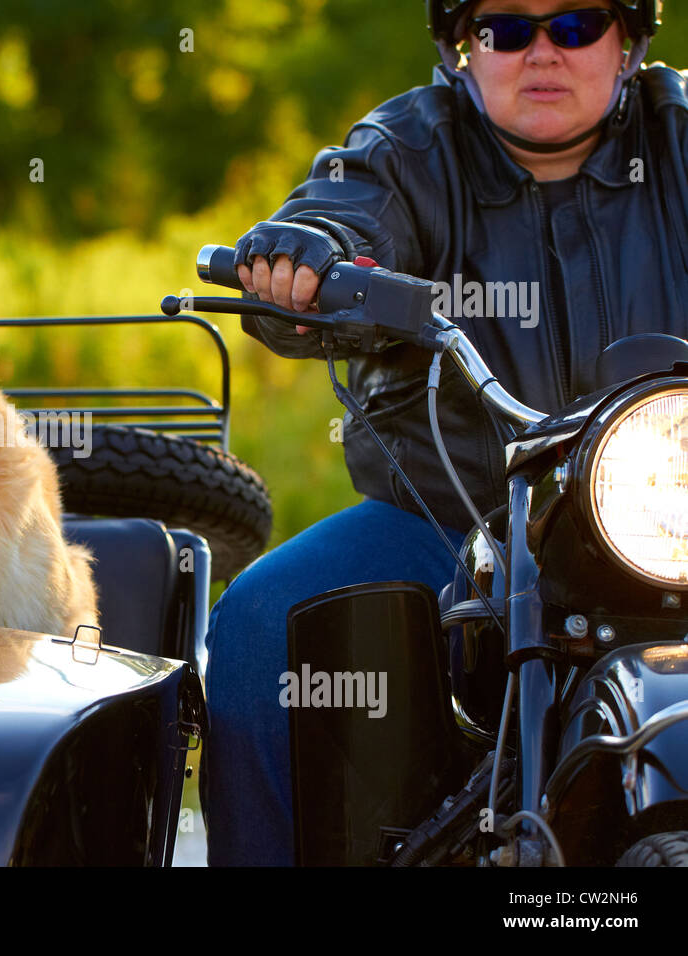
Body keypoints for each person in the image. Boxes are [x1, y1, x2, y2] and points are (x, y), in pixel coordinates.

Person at [201, 0, 688, 865]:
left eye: (575, 25)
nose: (543, 52)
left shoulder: (680, 134)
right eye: (507, 28)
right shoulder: (408, 148)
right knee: (262, 622)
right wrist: (307, 256)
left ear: (628, 40)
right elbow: (342, 213)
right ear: (465, 46)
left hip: (669, 519)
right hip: (452, 516)